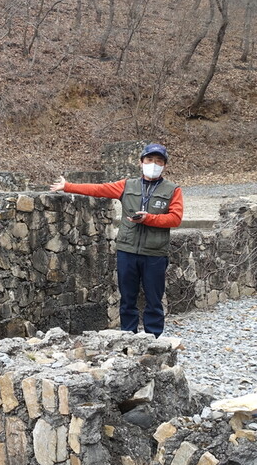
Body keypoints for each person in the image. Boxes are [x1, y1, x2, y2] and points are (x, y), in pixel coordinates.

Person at [48, 143, 183, 336]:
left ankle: (154, 341)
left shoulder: (172, 189)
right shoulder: (127, 185)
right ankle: (128, 338)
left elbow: (175, 218)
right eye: (150, 160)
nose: (154, 164)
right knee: (127, 298)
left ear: (165, 165)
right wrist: (68, 186)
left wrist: (149, 218)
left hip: (155, 253)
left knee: (154, 300)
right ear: (141, 162)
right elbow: (99, 189)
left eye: (159, 161)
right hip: (127, 251)